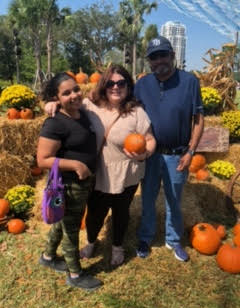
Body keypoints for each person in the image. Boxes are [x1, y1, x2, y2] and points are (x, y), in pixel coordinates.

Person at [45, 64, 156, 267]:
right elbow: (69, 105)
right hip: (97, 172)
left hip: (127, 172)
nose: (116, 87)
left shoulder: (137, 111)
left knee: (121, 212)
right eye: (111, 83)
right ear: (104, 85)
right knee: (95, 212)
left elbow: (149, 139)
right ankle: (90, 241)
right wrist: (54, 106)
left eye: (121, 83)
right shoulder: (89, 104)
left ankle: (117, 246)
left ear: (128, 86)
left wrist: (145, 154)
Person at [134, 36, 204, 261]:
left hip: (178, 155)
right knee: (147, 198)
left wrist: (190, 151)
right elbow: (126, 110)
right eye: (154, 57)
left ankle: (173, 240)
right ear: (149, 61)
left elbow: (199, 119)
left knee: (174, 200)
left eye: (163, 55)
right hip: (150, 155)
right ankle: (145, 237)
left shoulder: (189, 81)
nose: (159, 61)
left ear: (173, 56)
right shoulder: (142, 84)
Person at [37, 72, 103, 290]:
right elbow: (43, 159)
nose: (74, 95)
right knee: (71, 228)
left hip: (83, 183)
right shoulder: (54, 123)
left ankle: (47, 257)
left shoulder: (81, 112)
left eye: (75, 89)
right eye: (66, 93)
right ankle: (75, 274)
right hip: (68, 185)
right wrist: (75, 165)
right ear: (56, 98)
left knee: (62, 222)